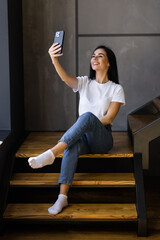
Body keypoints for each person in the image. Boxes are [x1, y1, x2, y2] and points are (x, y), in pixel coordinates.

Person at [28, 43, 125, 215]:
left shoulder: (116, 88)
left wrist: (89, 123)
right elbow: (65, 78)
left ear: (109, 63)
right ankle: (62, 197)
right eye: (93, 55)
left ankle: (51, 153)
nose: (94, 58)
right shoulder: (85, 82)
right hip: (83, 137)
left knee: (87, 117)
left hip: (102, 139)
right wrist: (54, 59)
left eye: (100, 56)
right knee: (71, 146)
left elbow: (109, 118)